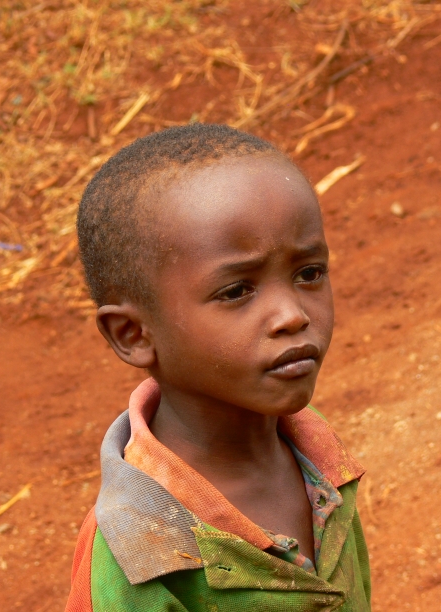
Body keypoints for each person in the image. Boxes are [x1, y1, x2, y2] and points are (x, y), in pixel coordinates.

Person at [66, 123, 370, 611]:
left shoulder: (321, 462)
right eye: (236, 291)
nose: (293, 315)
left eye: (309, 273)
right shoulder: (136, 556)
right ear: (133, 334)